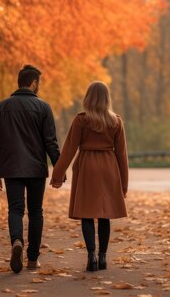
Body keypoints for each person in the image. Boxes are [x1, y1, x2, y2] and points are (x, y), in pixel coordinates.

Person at [0, 64, 62, 274]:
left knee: (15, 209)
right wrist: (59, 168)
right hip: (36, 169)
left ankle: (17, 241)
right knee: (36, 212)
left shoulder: (1, 107)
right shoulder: (43, 107)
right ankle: (32, 259)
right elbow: (51, 142)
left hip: (11, 168)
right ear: (34, 83)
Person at [50, 81, 128, 272]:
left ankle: (91, 256)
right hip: (109, 167)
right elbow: (122, 155)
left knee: (87, 213)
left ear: (88, 98)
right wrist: (123, 185)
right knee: (104, 215)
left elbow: (69, 149)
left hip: (87, 166)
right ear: (106, 99)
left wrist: (57, 175)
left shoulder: (81, 120)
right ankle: (103, 257)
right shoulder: (115, 121)